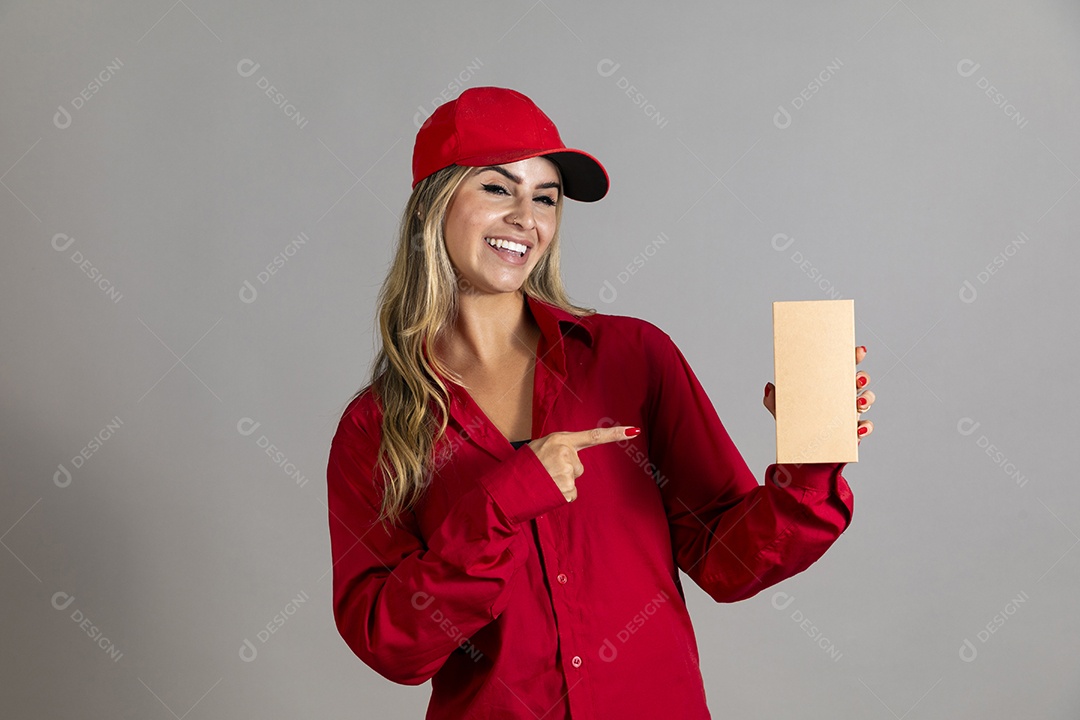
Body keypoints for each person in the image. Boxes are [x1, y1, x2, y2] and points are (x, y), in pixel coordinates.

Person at [325, 86, 874, 719]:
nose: (525, 218)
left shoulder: (632, 357)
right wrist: (502, 503)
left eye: (546, 198)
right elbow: (394, 647)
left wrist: (810, 459)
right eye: (498, 189)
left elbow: (728, 563)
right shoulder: (376, 427)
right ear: (434, 204)